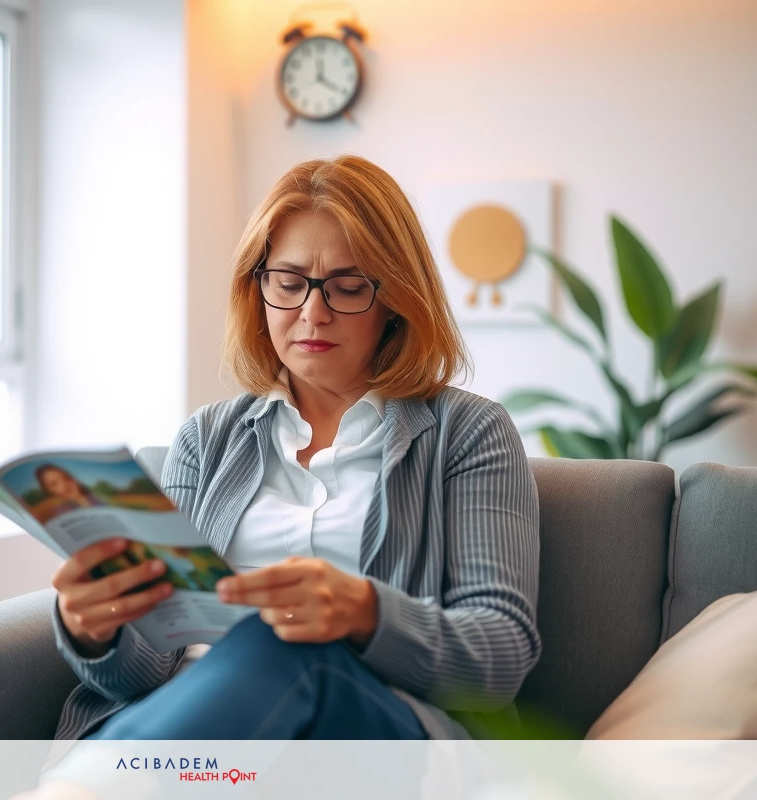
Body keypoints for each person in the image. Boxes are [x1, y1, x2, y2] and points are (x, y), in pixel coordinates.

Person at [45, 155, 541, 759]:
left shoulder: (467, 432)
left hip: (376, 742)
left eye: (348, 286)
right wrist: (96, 631)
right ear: (257, 289)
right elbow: (149, 667)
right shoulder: (206, 439)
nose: (313, 312)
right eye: (288, 283)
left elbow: (500, 657)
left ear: (397, 298)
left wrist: (362, 612)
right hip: (200, 742)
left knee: (284, 642)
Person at [34, 463, 106, 517]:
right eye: (54, 484)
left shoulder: (93, 498)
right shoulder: (62, 510)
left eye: (66, 478)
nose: (64, 485)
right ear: (49, 490)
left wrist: (81, 499)